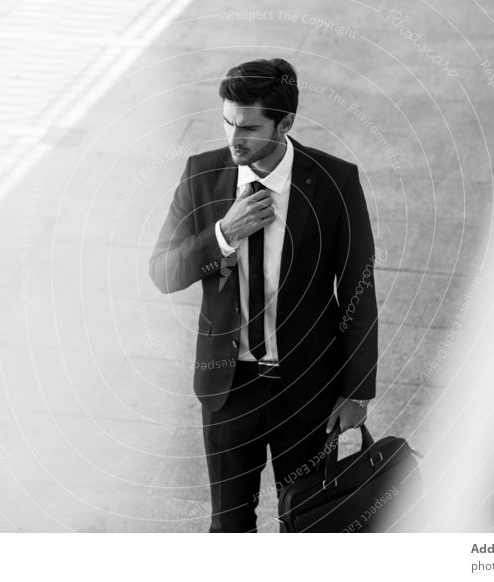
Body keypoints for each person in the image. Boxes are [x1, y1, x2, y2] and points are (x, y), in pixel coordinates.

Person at [149, 58, 378, 532]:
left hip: (308, 388)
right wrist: (221, 235)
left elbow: (358, 286)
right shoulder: (201, 175)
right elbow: (163, 272)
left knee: (309, 524)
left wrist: (358, 391)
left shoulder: (335, 182)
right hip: (228, 388)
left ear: (286, 123)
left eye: (249, 127)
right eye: (228, 121)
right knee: (229, 527)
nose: (234, 138)